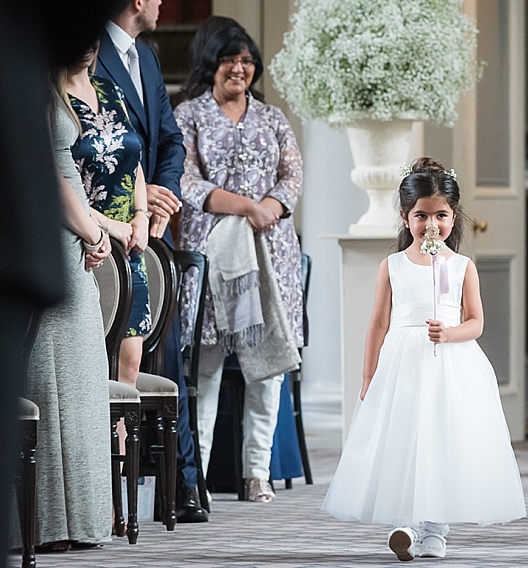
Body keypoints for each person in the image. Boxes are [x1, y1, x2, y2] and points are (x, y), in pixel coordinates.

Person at [322, 158, 526, 561]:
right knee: (406, 440)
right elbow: (378, 323)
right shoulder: (392, 266)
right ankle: (410, 524)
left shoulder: (462, 266)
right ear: (404, 216)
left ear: (454, 216)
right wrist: (368, 375)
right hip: (403, 366)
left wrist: (448, 334)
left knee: (443, 441)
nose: (431, 224)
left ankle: (436, 531)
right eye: (421, 215)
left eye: (441, 215)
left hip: (449, 366)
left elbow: (477, 323)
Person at [174, 22, 305, 503]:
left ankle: (256, 474)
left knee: (267, 366)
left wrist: (269, 206)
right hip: (212, 258)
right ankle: (200, 478)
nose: (240, 68)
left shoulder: (272, 118)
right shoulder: (188, 115)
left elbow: (292, 173)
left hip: (270, 256)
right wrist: (244, 207)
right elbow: (185, 181)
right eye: (230, 59)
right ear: (211, 63)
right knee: (205, 367)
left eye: (248, 60)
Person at [95, 0, 208, 522]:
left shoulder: (147, 56)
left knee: (167, 356)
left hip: (147, 225)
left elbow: (168, 139)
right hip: (101, 227)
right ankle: (103, 495)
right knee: (115, 364)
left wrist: (160, 195)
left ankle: (182, 488)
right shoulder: (89, 52)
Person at [22, 52, 115, 553]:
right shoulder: (30, 79)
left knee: (80, 380)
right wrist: (90, 228)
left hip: (74, 231)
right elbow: (44, 173)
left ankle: (82, 520)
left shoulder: (58, 81)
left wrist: (92, 228)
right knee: (54, 379)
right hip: (52, 230)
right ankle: (50, 524)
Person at [68, 40, 151, 390]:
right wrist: (105, 225)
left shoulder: (108, 87)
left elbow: (134, 160)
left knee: (127, 369)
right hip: (84, 244)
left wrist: (142, 215)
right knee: (89, 374)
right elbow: (55, 179)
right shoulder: (50, 98)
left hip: (129, 244)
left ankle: (119, 448)